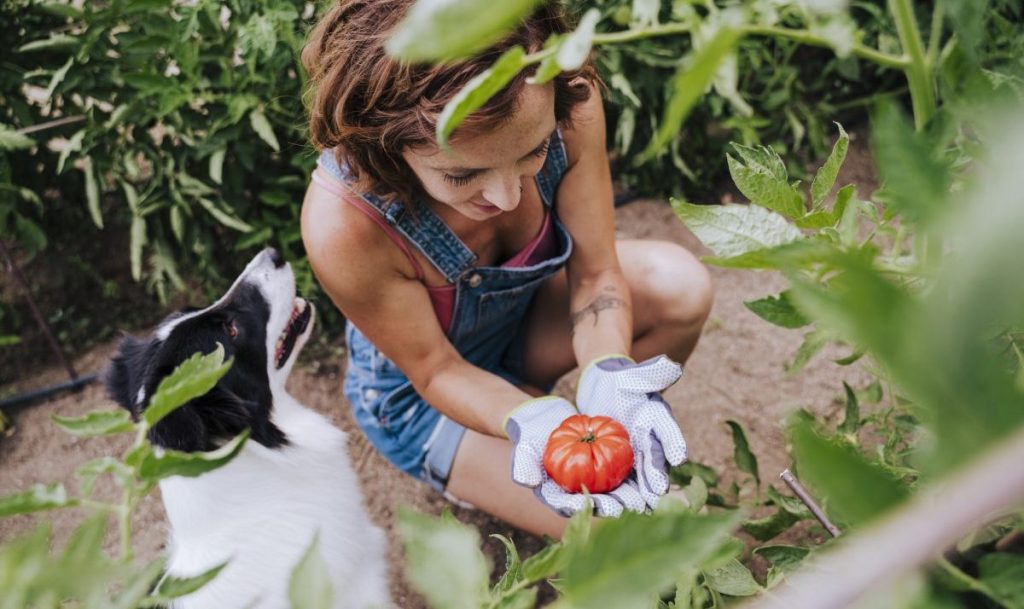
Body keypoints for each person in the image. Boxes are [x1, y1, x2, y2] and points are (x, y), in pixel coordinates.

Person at [299, 0, 713, 539]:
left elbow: (594, 277)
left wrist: (611, 370)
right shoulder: (344, 225)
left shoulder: (572, 102)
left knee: (679, 287)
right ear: (387, 149)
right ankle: (485, 451)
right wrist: (530, 417)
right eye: (462, 174)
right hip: (426, 397)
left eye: (533, 151)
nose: (507, 195)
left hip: (522, 325)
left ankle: (577, 412)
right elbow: (436, 371)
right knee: (644, 535)